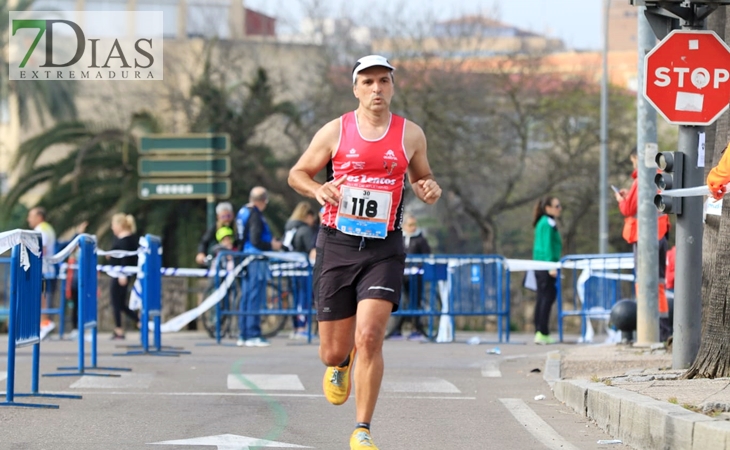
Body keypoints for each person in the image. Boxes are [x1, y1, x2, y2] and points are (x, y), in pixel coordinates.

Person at [288, 54, 442, 450]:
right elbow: (297, 173)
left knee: (371, 336)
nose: (377, 89)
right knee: (332, 350)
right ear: (356, 88)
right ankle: (340, 363)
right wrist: (317, 189)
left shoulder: (410, 134)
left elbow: (422, 176)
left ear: (392, 86)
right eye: (368, 82)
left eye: (384, 81)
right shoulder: (336, 130)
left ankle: (362, 429)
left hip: (384, 248)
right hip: (337, 244)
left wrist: (428, 186)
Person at [615, 147, 672, 342]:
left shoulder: (642, 179)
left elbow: (629, 208)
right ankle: (663, 331)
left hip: (645, 237)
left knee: (644, 283)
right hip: (661, 234)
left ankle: (648, 331)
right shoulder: (659, 177)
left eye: (633, 161)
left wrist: (621, 200)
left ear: (637, 159)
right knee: (659, 284)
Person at [235, 186, 282, 347]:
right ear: (262, 201)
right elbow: (255, 240)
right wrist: (271, 245)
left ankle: (243, 333)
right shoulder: (255, 214)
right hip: (256, 258)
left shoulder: (243, 211)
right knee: (255, 296)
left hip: (246, 257)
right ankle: (253, 333)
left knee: (247, 296)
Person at [390, 213, 431, 341]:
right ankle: (397, 329)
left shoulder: (420, 239)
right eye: (410, 225)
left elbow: (426, 255)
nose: (413, 227)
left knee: (415, 302)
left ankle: (416, 329)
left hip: (415, 275)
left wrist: (418, 265)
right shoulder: (400, 238)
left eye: (414, 225)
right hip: (401, 275)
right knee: (402, 303)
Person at [282, 201, 317, 339]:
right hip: (303, 268)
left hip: (291, 267)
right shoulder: (305, 230)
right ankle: (302, 328)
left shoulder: (289, 227)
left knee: (295, 298)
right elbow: (311, 250)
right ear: (307, 215)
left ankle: (296, 327)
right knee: (304, 298)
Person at [532, 196, 563, 345]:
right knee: (546, 297)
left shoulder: (545, 222)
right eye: (556, 206)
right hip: (545, 265)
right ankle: (541, 331)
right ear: (548, 208)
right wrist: (551, 265)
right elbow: (547, 246)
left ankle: (540, 330)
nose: (559, 208)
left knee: (543, 297)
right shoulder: (546, 223)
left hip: (542, 265)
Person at [107, 213, 139, 340]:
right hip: (118, 273)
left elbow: (125, 258)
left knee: (117, 302)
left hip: (120, 274)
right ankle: (137, 321)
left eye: (113, 225)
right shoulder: (120, 239)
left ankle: (120, 329)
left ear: (120, 225)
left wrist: (123, 274)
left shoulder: (126, 240)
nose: (112, 227)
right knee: (119, 303)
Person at [27, 207, 58, 339]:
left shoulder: (41, 230)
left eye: (31, 216)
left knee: (41, 297)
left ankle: (45, 323)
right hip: (47, 268)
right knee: (44, 297)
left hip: (43, 269)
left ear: (39, 217)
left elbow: (42, 249)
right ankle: (44, 324)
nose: (29, 219)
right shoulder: (47, 228)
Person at [195, 202, 236, 266]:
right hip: (219, 258)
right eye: (223, 216)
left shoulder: (237, 226)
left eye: (228, 216)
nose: (226, 219)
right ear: (218, 217)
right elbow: (204, 241)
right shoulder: (215, 227)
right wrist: (201, 253)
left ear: (232, 215)